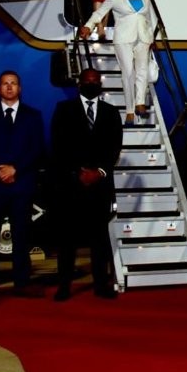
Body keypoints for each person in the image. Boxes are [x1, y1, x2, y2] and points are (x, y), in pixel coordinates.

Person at [0, 70, 47, 301]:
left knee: (21, 235)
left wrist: (16, 169)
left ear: (20, 88)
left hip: (21, 184)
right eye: (5, 83)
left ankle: (22, 282)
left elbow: (38, 149)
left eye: (13, 83)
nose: (9, 87)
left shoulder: (33, 116)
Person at [51, 68, 123, 301]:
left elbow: (114, 147)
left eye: (95, 81)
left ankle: (101, 284)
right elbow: (58, 144)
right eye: (87, 81)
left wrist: (99, 172)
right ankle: (64, 286)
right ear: (79, 84)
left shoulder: (111, 112)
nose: (91, 84)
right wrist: (77, 172)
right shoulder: (63, 110)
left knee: (99, 239)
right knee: (66, 239)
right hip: (71, 184)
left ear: (99, 84)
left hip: (99, 186)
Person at [79, 0, 155, 126]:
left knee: (142, 70)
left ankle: (140, 102)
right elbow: (100, 12)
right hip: (123, 37)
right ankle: (129, 110)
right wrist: (88, 25)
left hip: (143, 36)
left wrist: (152, 37)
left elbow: (149, 18)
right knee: (128, 72)